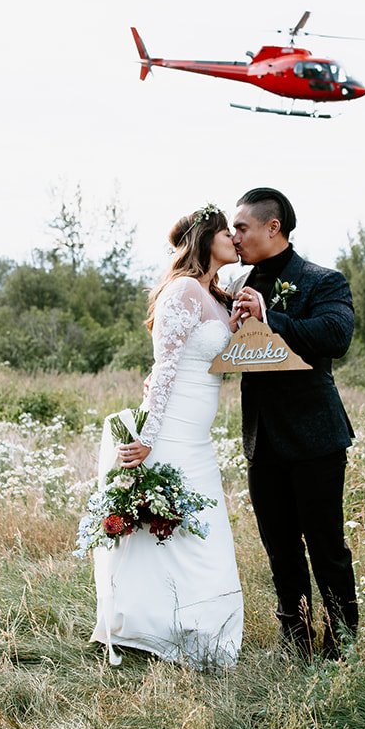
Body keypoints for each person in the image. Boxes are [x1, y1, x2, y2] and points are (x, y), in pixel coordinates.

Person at [89, 204, 245, 667]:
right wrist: (149, 437)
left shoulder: (216, 295)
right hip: (171, 429)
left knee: (200, 531)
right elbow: (165, 368)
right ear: (206, 239)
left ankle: (191, 630)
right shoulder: (181, 291)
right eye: (227, 233)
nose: (235, 239)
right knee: (175, 531)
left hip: (199, 434)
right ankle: (159, 629)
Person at [229, 187, 358, 658]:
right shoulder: (236, 285)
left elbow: (335, 336)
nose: (235, 235)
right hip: (261, 440)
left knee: (327, 546)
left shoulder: (323, 280)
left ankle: (341, 643)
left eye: (241, 227)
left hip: (315, 436)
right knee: (280, 548)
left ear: (272, 227)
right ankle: (295, 641)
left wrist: (272, 317)